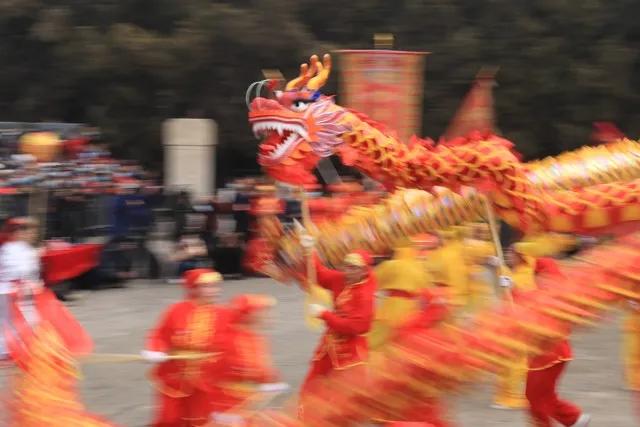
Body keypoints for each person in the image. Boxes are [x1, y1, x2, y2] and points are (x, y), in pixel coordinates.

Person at [142, 268, 235, 427]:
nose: (213, 291)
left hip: (206, 378)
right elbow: (159, 334)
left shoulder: (225, 314)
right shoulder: (176, 310)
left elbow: (232, 345)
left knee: (200, 419)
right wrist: (155, 350)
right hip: (175, 375)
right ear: (194, 288)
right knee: (169, 418)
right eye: (207, 286)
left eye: (215, 286)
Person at [297, 235, 376, 419]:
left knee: (349, 394)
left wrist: (325, 315)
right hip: (330, 345)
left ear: (364, 271)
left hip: (351, 350)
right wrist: (310, 251)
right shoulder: (342, 279)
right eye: (346, 266)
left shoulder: (365, 295)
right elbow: (319, 273)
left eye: (353, 268)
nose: (347, 271)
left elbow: (356, 327)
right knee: (312, 384)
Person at [524, 257, 591, 427]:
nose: (538, 279)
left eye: (539, 274)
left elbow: (531, 305)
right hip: (546, 355)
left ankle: (573, 418)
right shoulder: (550, 292)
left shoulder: (554, 295)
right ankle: (573, 419)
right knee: (539, 397)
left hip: (550, 356)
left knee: (537, 397)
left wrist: (511, 289)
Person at [209, 294, 288, 420]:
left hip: (250, 406)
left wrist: (272, 381)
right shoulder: (229, 340)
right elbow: (239, 372)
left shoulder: (257, 338)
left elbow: (265, 372)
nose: (269, 315)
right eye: (262, 311)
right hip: (230, 409)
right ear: (249, 315)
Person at [0, 217, 42, 360]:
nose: (32, 235)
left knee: (24, 317)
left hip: (20, 288)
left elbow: (31, 271)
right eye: (29, 232)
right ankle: (8, 348)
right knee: (10, 319)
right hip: (10, 289)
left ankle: (21, 346)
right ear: (18, 233)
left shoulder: (26, 250)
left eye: (33, 232)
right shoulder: (11, 249)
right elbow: (18, 270)